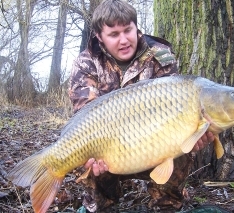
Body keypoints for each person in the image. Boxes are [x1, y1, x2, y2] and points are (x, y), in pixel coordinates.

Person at [68, 0, 214, 211]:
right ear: (99, 37)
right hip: (110, 149)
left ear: (137, 28)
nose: (124, 40)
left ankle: (166, 204)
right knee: (85, 157)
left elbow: (178, 109)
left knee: (181, 149)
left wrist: (194, 134)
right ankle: (103, 205)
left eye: (128, 30)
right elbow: (85, 117)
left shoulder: (159, 55)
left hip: (153, 143)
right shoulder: (86, 63)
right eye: (114, 34)